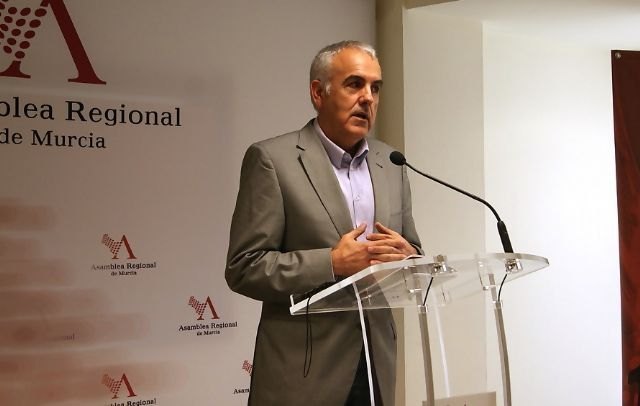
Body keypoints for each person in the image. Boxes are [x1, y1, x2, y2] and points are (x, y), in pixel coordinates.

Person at [225, 40, 422, 406]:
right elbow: (244, 267)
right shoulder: (273, 161)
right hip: (304, 373)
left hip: (375, 365)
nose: (367, 98)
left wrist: (409, 256)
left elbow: (412, 250)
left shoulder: (391, 162)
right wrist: (331, 263)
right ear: (318, 93)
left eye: (375, 88)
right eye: (354, 84)